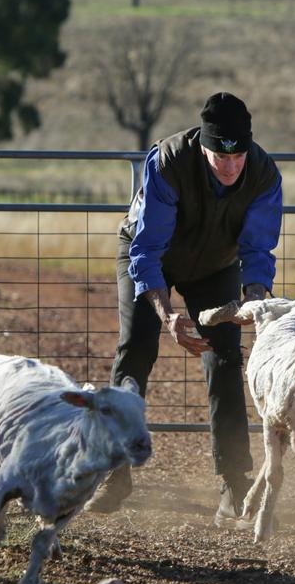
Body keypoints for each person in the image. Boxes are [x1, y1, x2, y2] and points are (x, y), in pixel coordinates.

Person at [86, 91, 283, 524]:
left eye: (239, 158)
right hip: (149, 255)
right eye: (220, 158)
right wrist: (166, 315)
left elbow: (258, 248)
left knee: (226, 357)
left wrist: (253, 298)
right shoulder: (168, 162)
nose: (231, 168)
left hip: (215, 265)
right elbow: (148, 247)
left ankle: (234, 483)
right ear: (203, 147)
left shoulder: (264, 174)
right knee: (136, 348)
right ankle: (114, 469)